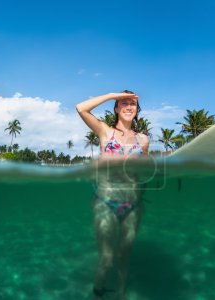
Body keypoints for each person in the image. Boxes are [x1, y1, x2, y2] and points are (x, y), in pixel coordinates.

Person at [76, 91, 150, 299]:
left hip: (133, 206)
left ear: (137, 111)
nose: (128, 107)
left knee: (124, 256)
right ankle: (98, 291)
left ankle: (121, 294)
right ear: (116, 108)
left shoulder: (143, 139)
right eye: (123, 103)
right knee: (107, 259)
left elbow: (143, 170)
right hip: (105, 203)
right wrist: (113, 94)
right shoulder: (105, 132)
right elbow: (81, 107)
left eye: (133, 104)